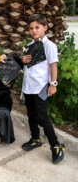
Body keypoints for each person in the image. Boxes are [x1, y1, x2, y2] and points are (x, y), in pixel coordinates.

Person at [20, 14, 65, 164]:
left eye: (37, 27)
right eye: (31, 28)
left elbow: (53, 66)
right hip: (28, 87)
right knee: (31, 115)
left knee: (42, 117)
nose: (34, 31)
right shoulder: (30, 46)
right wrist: (23, 60)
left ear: (45, 28)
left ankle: (56, 146)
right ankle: (35, 138)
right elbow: (28, 65)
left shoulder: (49, 46)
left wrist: (53, 84)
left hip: (40, 87)